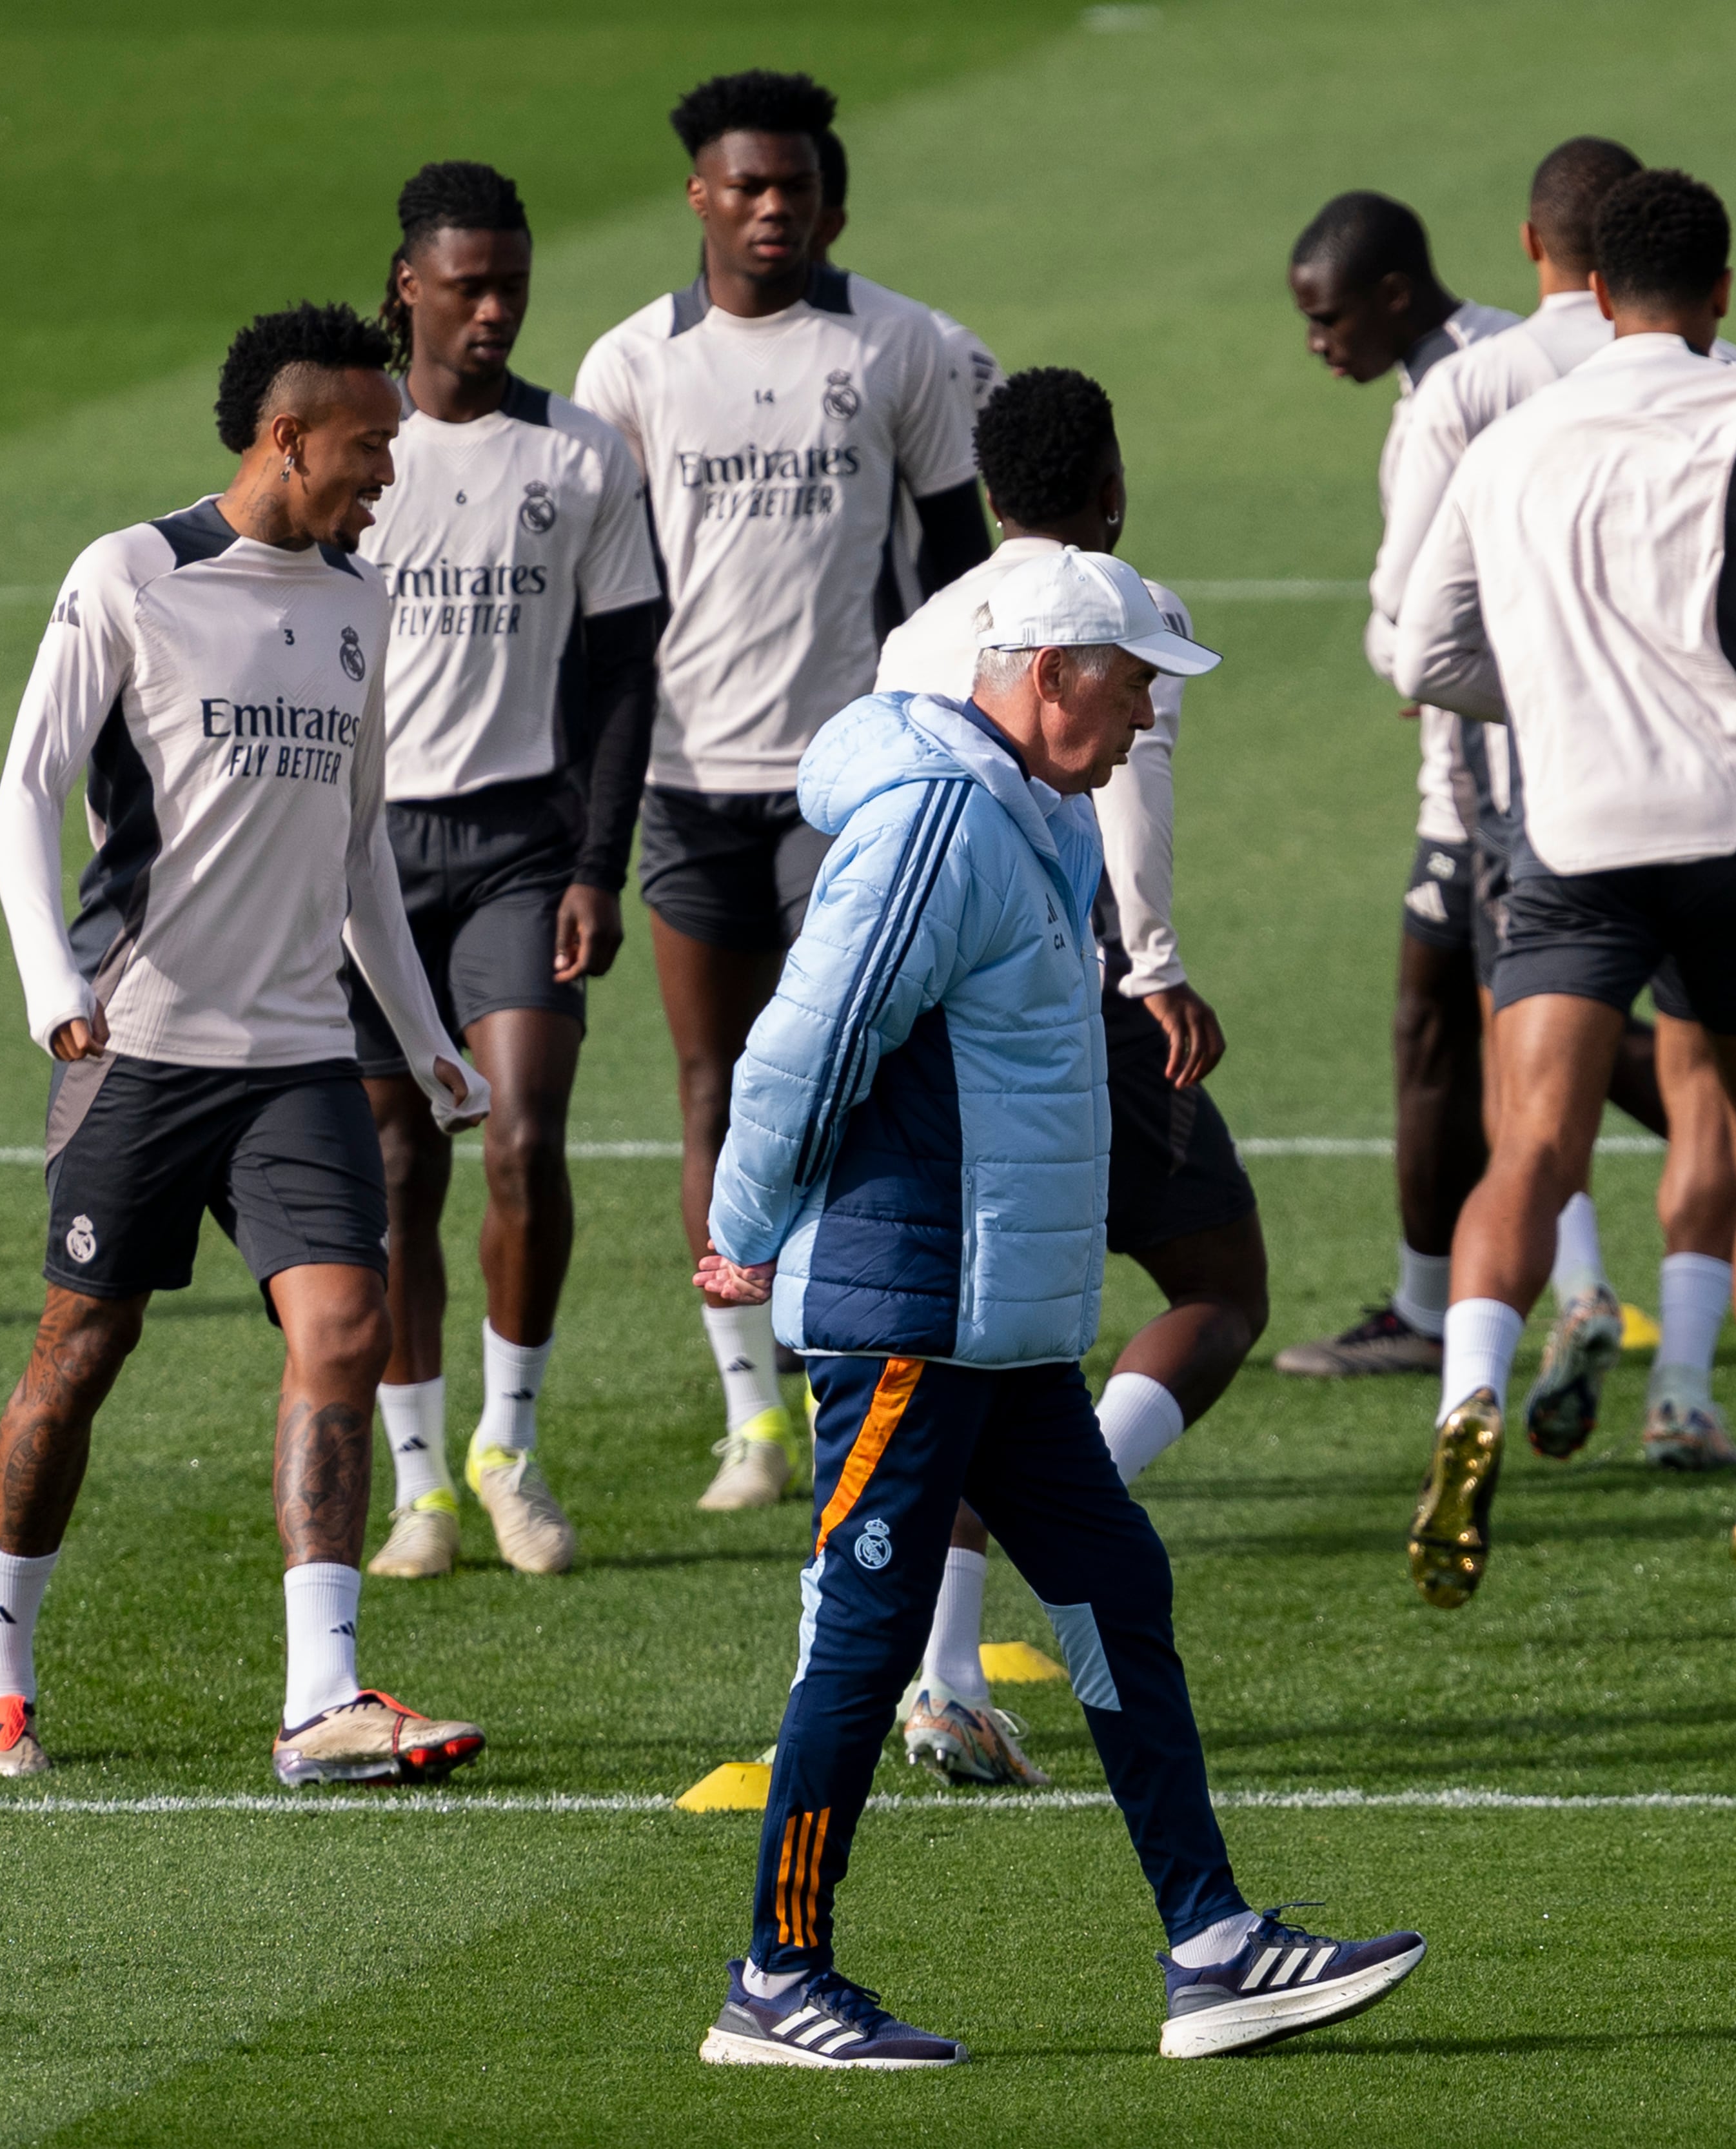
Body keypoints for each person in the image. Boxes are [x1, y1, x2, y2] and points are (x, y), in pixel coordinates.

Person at [692, 548, 1421, 2067]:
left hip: (999, 1325)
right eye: (1131, 676)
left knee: (1114, 1587)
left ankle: (1213, 1947)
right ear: (1041, 673)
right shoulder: (943, 828)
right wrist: (742, 1234)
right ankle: (775, 1974)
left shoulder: (1023, 819)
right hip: (910, 1314)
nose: (1150, 707)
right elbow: (803, 1049)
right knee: (864, 1640)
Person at [0, 302, 492, 1783]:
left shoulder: (361, 605)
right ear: (285, 438)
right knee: (81, 1351)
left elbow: (358, 849)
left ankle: (321, 1698)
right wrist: (43, 986)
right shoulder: (132, 576)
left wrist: (424, 1035)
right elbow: (22, 794)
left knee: (344, 1329)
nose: (390, 471)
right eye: (370, 446)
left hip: (297, 1058)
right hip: (133, 1042)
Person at [1394, 170, 1736, 1604]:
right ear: (1723, 289)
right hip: (1733, 825)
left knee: (1529, 1150)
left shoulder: (1512, 436)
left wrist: (1541, 707)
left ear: (1592, 290)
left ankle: (1466, 1397)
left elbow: (1421, 654)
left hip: (1569, 833)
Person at [574, 69, 992, 1511]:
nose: (770, 210)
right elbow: (607, 601)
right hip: (689, 785)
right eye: (745, 187)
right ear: (698, 194)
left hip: (855, 788)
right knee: (718, 1082)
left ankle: (858, 1369)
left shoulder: (898, 347)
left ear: (831, 201)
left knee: (859, 1080)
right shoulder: (630, 366)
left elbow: (956, 565)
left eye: (795, 190)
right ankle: (749, 1405)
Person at [870, 367, 1267, 1787]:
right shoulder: (1115, 611)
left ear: (987, 491)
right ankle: (1062, 1517)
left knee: (996, 1344)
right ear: (1107, 475)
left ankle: (947, 1673)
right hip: (1071, 997)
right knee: (1220, 1288)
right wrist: (1152, 964)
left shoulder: (921, 628)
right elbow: (1128, 794)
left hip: (931, 1012)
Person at [1372, 135, 1736, 1471]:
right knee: (1707, 1089)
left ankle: (1563, 1299)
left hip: (1529, 800)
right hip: (1719, 791)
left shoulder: (1475, 392)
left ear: (1546, 256)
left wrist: (1534, 697)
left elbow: (1405, 637)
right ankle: (1693, 1398)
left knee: (1530, 1089)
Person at [342, 161, 667, 1581]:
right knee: (397, 1162)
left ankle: (509, 1448)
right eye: (467, 284)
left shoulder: (581, 455)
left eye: (513, 285)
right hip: (358, 858)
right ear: (408, 282)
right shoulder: (348, 448)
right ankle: (419, 1484)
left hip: (521, 849)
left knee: (524, 1136)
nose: (493, 309)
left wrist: (601, 862)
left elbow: (620, 684)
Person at [1270, 191, 1516, 1382]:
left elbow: (1404, 618)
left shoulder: (1443, 404)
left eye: (1327, 321)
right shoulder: (1514, 348)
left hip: (1481, 764)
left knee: (1459, 1017)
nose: (1318, 344)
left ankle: (1430, 1312)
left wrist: (1411, 664)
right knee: (1492, 1012)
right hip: (1534, 744)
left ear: (1394, 296)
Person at [806, 122, 1005, 636]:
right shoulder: (665, 358)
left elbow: (990, 513)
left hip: (894, 663)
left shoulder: (938, 348)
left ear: (827, 218)